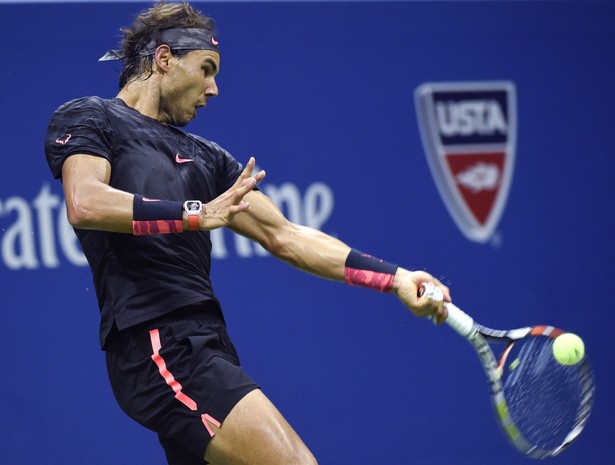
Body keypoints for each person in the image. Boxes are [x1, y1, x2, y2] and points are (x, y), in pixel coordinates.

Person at [45, 1, 450, 464]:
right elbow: (86, 203)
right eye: (207, 69)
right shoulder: (90, 117)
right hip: (157, 341)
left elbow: (287, 235)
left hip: (210, 341)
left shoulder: (208, 156)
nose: (214, 89)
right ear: (163, 59)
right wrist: (196, 213)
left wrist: (395, 277)